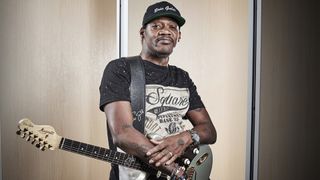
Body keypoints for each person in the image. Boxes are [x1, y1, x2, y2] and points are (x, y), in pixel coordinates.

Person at [99, 1, 216, 180]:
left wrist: (184, 137)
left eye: (172, 27)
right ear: (142, 33)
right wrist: (171, 167)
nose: (165, 31)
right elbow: (122, 133)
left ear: (178, 36)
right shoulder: (121, 69)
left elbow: (208, 130)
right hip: (138, 174)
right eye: (156, 26)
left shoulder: (182, 77)